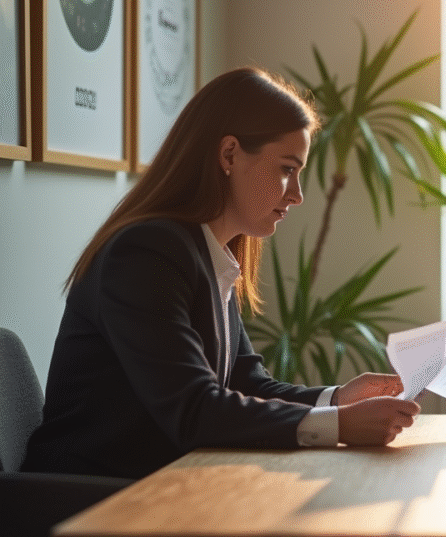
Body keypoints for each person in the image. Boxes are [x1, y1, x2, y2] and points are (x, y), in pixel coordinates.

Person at [23, 68, 420, 480]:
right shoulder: (145, 254)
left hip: (158, 484)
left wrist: (338, 400)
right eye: (287, 169)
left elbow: (247, 384)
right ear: (229, 155)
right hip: (88, 497)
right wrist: (339, 425)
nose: (297, 195)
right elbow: (194, 409)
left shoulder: (209, 253)